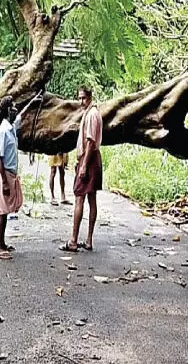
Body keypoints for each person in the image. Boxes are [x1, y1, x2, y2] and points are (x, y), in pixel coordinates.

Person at [0, 93, 42, 260]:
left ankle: (3, 243)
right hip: (5, 174)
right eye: (13, 107)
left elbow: (21, 116)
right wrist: (5, 182)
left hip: (10, 174)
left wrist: (32, 102)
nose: (15, 109)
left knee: (6, 210)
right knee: (1, 211)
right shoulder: (2, 131)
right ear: (8, 109)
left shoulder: (10, 127)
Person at [60, 86, 103, 253]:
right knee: (91, 199)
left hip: (89, 159)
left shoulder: (92, 115)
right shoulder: (91, 113)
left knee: (79, 197)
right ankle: (88, 240)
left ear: (90, 97)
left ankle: (73, 240)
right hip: (91, 158)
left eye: (83, 98)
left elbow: (91, 142)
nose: (81, 101)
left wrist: (84, 164)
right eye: (79, 98)